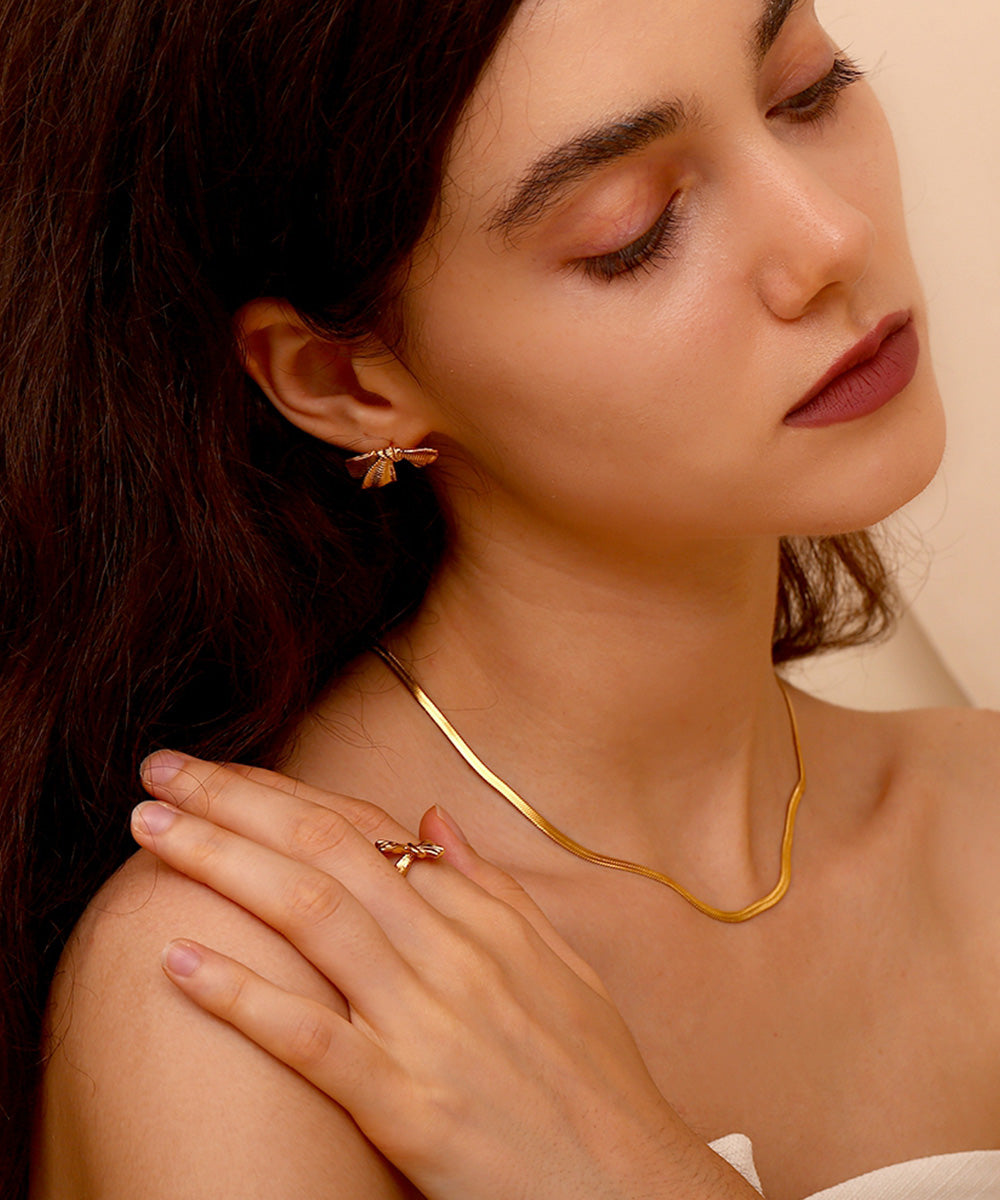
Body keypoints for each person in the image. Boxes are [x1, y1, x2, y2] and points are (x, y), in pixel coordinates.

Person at [7, 0, 1000, 1195]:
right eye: (631, 232)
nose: (830, 234)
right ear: (348, 383)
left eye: (805, 90)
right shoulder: (255, 989)